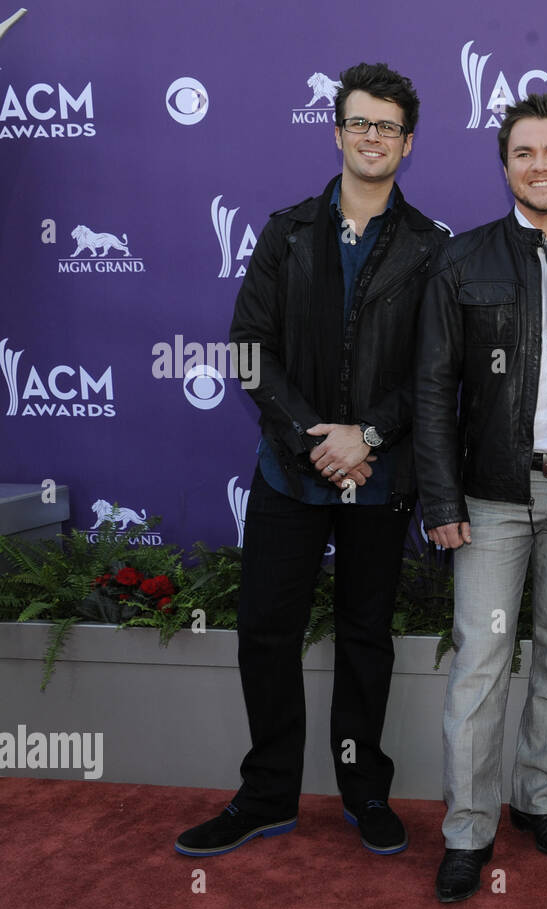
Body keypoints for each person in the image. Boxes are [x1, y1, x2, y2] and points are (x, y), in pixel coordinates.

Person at [176, 63, 445, 858]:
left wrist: (368, 436)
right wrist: (315, 437)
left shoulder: (431, 247)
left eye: (388, 127)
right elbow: (249, 351)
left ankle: (364, 792)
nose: (372, 138)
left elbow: (435, 369)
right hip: (288, 471)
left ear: (407, 143)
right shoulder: (286, 230)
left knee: (367, 635)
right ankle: (266, 795)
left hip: (379, 474)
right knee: (265, 629)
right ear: (336, 131)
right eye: (359, 123)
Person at [413, 94, 547, 903]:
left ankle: (537, 798)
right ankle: (467, 828)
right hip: (493, 496)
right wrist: (441, 500)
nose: (540, 165)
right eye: (524, 152)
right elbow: (432, 390)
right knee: (482, 663)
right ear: (505, 166)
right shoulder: (463, 262)